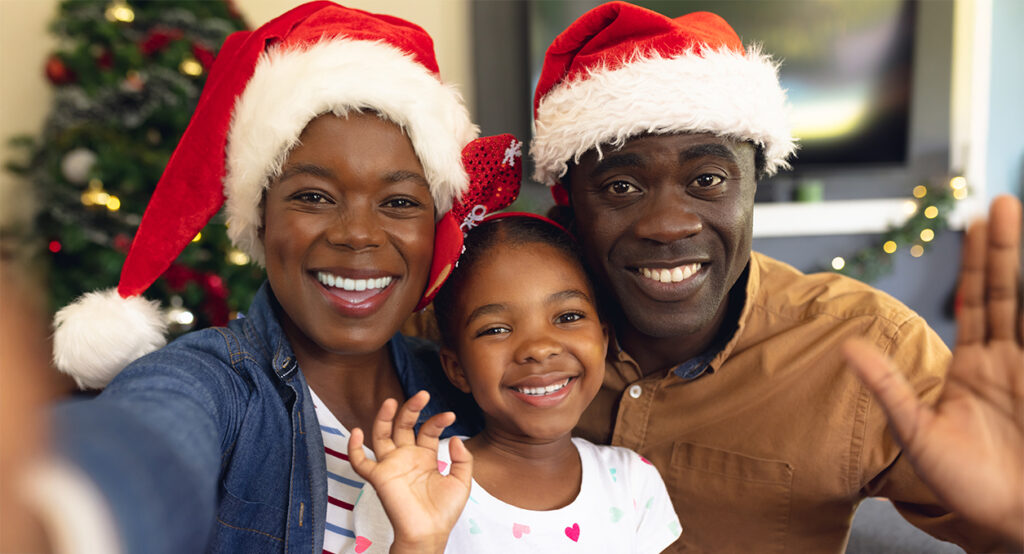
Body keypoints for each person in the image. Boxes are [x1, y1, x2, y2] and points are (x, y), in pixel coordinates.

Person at [6, 3, 523, 553]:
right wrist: (61, 513)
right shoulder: (212, 386)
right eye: (313, 197)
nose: (357, 235)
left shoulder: (468, 387)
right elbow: (149, 444)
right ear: (261, 216)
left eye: (398, 202)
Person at [528, 2, 1023, 551]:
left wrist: (1011, 516)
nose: (668, 226)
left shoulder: (869, 349)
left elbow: (999, 511)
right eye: (622, 186)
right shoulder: (498, 328)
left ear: (752, 188)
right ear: (570, 205)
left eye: (708, 179)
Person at [346, 214, 682, 553]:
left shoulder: (633, 484)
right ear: (457, 368)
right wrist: (418, 542)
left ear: (604, 339)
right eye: (496, 329)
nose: (539, 348)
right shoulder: (412, 481)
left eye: (568, 317)